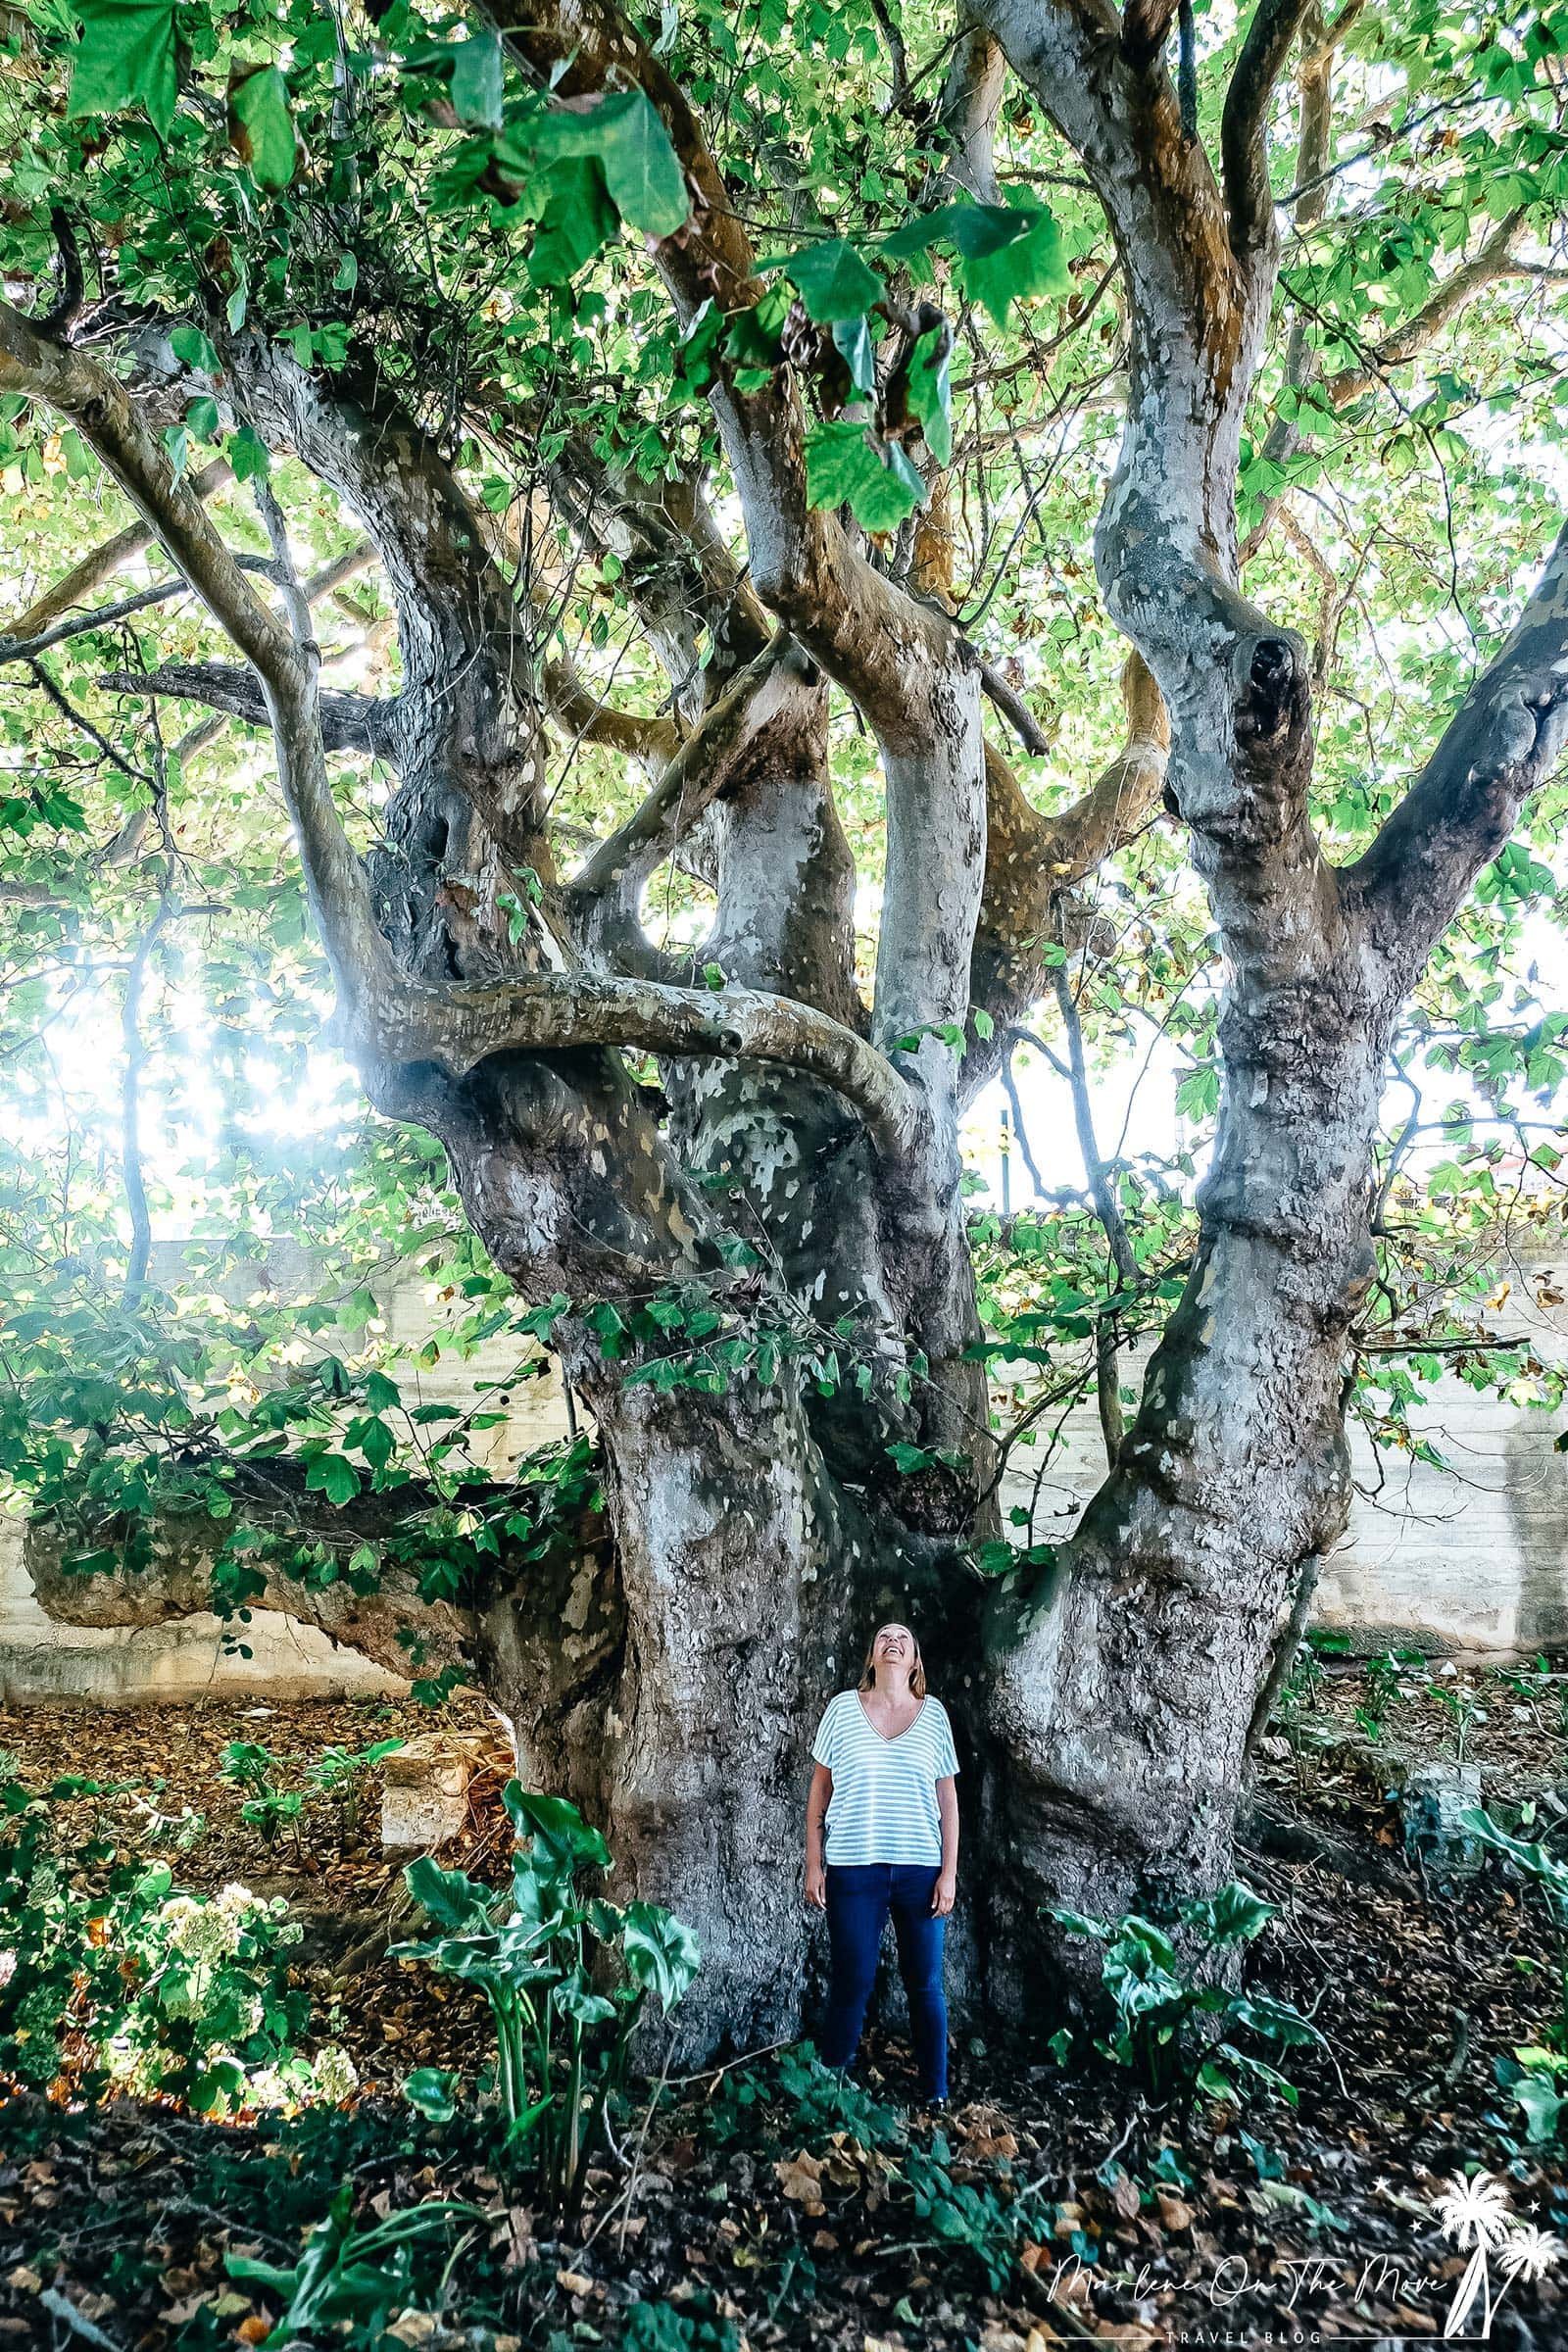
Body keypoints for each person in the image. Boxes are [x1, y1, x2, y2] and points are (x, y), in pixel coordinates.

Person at [804, 1621, 958, 2105]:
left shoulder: (934, 1716)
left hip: (920, 1870)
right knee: (852, 1979)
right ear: (872, 1657)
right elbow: (820, 1791)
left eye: (904, 1638)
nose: (893, 1641)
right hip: (854, 1869)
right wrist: (814, 1863)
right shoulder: (841, 1710)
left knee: (925, 1984)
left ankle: (935, 2092)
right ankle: (831, 2088)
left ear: (915, 1662)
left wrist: (949, 1873)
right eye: (884, 1637)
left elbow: (948, 1802)